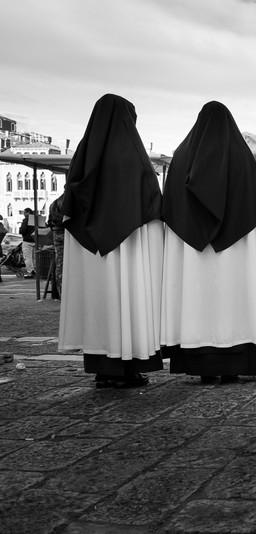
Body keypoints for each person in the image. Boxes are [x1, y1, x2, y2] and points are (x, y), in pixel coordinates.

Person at [160, 101, 256, 384]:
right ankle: (234, 364)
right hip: (237, 250)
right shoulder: (242, 156)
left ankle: (202, 365)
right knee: (236, 299)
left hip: (192, 251)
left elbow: (171, 204)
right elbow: (255, 206)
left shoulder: (181, 156)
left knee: (197, 300)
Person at [58, 94, 164, 389]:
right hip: (127, 243)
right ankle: (127, 367)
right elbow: (150, 199)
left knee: (98, 302)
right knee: (126, 300)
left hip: (90, 249)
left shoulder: (84, 151)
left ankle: (103, 369)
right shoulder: (133, 153)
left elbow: (71, 199)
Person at [47, 191, 65, 298]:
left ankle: (60, 291)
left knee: (59, 263)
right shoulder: (67, 201)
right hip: (66, 232)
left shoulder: (53, 203)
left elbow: (49, 222)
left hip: (56, 232)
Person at [19, 207, 36, 277]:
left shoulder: (26, 220)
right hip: (36, 240)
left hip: (27, 241)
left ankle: (30, 272)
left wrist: (20, 229)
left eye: (24, 212)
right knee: (35, 257)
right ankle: (35, 271)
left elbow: (22, 231)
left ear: (28, 213)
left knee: (27, 257)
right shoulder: (36, 219)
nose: (24, 214)